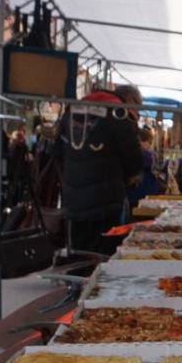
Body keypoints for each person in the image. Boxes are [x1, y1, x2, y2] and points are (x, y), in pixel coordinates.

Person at [57, 88, 142, 255]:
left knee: (78, 251)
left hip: (73, 200)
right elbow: (134, 161)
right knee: (102, 254)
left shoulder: (71, 112)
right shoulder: (120, 115)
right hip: (106, 200)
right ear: (131, 99)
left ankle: (76, 279)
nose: (138, 111)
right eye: (139, 104)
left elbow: (57, 152)